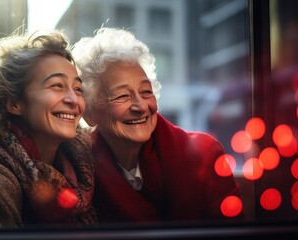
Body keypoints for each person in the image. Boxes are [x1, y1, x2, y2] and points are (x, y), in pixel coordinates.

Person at [72, 27, 244, 224]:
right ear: (90, 113)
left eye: (146, 92)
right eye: (122, 96)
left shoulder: (204, 153)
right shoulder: (78, 166)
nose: (141, 106)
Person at [0, 29, 97, 227]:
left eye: (78, 89)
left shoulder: (83, 164)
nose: (74, 99)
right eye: (57, 85)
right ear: (13, 103)